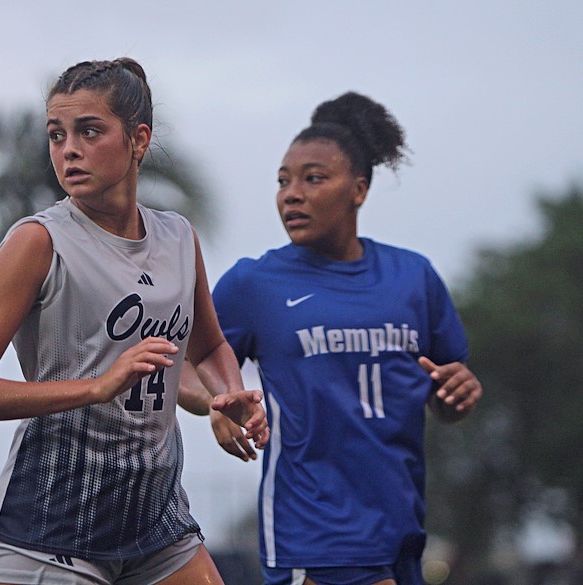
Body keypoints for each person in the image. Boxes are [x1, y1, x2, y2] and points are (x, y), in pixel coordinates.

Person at [0, 57, 269, 585]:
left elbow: (204, 351)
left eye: (89, 131)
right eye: (56, 134)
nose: (68, 149)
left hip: (156, 524)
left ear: (139, 139)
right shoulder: (37, 242)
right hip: (54, 529)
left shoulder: (178, 237)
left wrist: (226, 396)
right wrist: (97, 387)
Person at [207, 91, 483, 585]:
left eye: (314, 179)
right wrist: (219, 400)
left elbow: (446, 393)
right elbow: (188, 363)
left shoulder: (413, 276)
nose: (292, 194)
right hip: (314, 532)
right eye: (283, 181)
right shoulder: (254, 284)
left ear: (359, 189)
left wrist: (458, 394)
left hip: (402, 527)